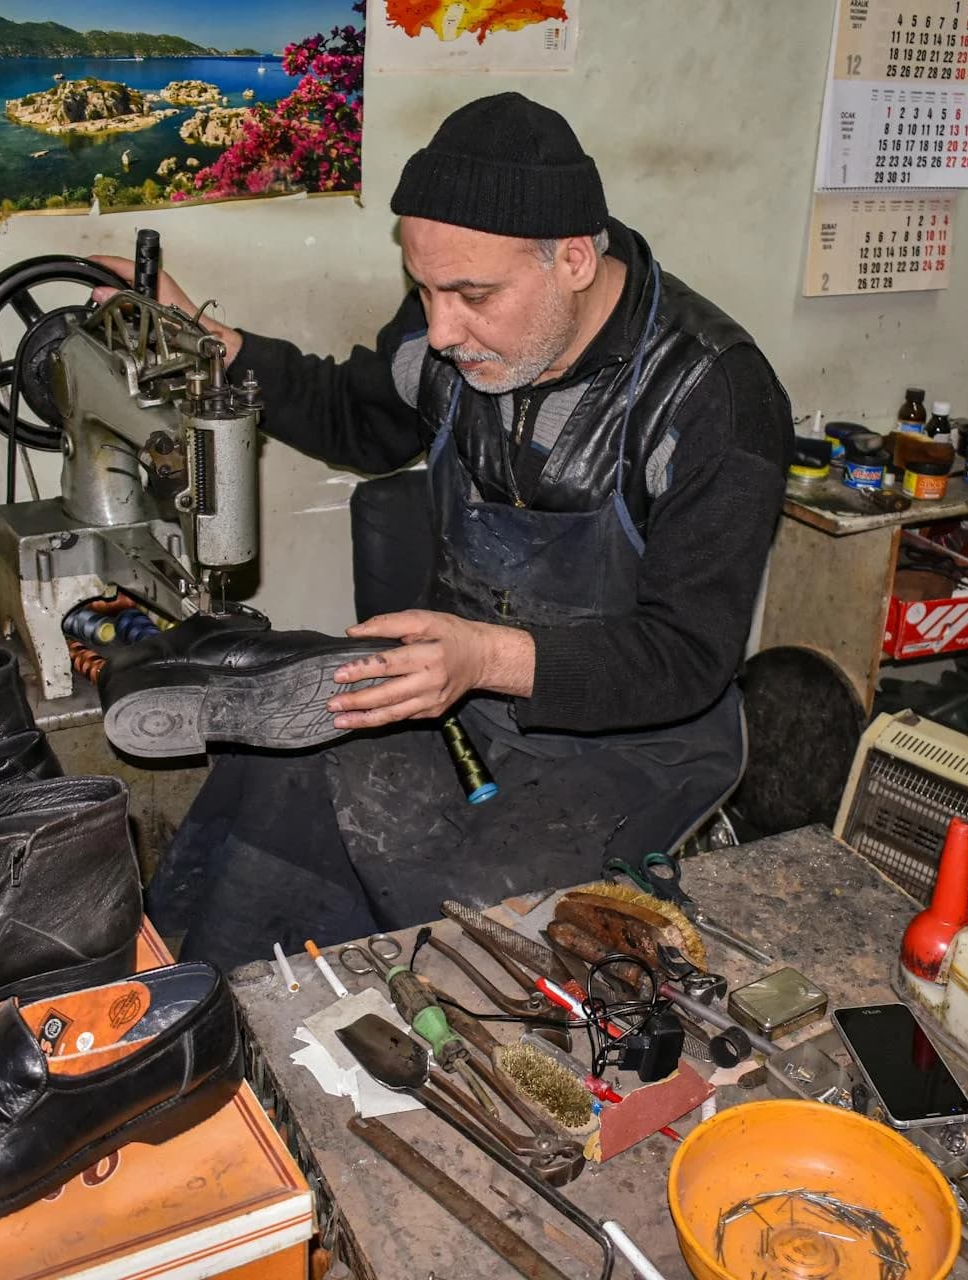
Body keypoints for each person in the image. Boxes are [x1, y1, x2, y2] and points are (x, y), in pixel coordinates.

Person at [95, 92, 790, 967]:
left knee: (463, 929)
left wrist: (485, 657)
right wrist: (211, 342)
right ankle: (204, 1013)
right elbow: (360, 415)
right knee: (278, 786)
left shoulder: (713, 400)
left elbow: (688, 659)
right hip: (461, 698)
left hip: (633, 746)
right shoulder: (450, 331)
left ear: (574, 258)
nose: (441, 329)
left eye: (471, 294)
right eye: (423, 290)